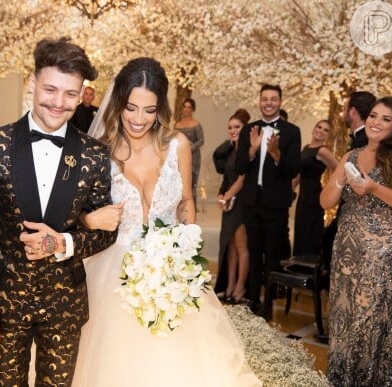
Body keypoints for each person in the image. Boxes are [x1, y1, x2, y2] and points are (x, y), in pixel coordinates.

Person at [72, 57, 260, 386]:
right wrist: (91, 219)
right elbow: (77, 215)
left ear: (161, 107)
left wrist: (185, 245)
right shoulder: (99, 151)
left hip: (171, 266)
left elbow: (185, 200)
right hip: (112, 269)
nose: (139, 119)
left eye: (149, 110)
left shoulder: (178, 145)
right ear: (118, 103)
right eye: (131, 108)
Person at [0, 37, 117, 386]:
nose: (59, 103)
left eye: (71, 94)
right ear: (32, 83)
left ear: (81, 94)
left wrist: (62, 243)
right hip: (4, 303)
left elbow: (107, 230)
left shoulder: (94, 154)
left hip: (65, 304)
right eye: (50, 89)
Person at [320, 96, 392, 386]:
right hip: (347, 252)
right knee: (345, 317)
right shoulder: (350, 156)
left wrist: (372, 188)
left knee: (372, 320)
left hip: (383, 254)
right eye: (373, 115)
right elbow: (325, 201)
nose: (375, 122)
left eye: (385, 119)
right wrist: (342, 180)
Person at [235, 84, 301, 316]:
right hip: (252, 202)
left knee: (272, 255)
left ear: (280, 102)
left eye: (273, 99)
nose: (269, 103)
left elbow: (292, 170)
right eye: (265, 99)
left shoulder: (292, 131)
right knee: (253, 252)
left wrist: (276, 154)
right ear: (260, 101)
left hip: (276, 204)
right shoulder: (249, 130)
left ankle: (269, 306)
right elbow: (239, 166)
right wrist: (252, 150)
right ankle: (253, 301)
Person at [213, 108, 251, 304]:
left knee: (241, 246)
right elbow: (227, 177)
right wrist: (221, 194)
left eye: (237, 127)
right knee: (230, 246)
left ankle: (240, 286)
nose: (233, 130)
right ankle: (229, 284)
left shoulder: (247, 151)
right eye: (230, 127)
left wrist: (226, 196)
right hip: (228, 201)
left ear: (245, 127)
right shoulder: (230, 150)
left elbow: (242, 180)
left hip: (242, 202)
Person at [292, 120, 338, 256]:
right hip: (303, 196)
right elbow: (300, 175)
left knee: (309, 233)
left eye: (326, 130)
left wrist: (331, 189)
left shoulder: (323, 151)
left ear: (328, 136)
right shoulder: (306, 148)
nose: (321, 131)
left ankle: (309, 269)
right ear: (313, 129)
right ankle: (299, 267)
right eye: (319, 127)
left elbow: (340, 169)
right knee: (301, 231)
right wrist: (290, 189)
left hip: (314, 197)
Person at [174, 98, 204, 210]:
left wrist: (188, 149)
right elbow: (175, 140)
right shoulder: (177, 125)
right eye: (184, 107)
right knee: (180, 183)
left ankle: (191, 210)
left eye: (189, 107)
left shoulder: (196, 124)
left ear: (193, 110)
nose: (186, 109)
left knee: (192, 184)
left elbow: (201, 140)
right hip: (180, 158)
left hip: (194, 157)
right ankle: (181, 209)